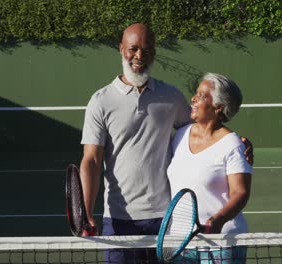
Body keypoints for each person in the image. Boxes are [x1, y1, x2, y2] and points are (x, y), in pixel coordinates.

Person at [80, 23, 253, 263]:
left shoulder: (171, 97)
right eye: (133, 49)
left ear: (154, 53)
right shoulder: (100, 102)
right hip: (117, 219)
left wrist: (238, 143)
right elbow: (91, 161)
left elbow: (205, 129)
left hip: (166, 222)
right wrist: (87, 211)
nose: (139, 56)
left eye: (147, 50)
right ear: (121, 49)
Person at [167, 73, 252, 263]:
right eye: (196, 93)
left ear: (218, 107)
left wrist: (218, 220)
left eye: (202, 95)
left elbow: (240, 192)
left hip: (223, 243)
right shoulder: (179, 135)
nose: (193, 99)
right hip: (182, 242)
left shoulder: (233, 145)